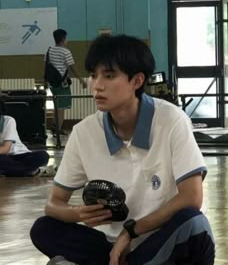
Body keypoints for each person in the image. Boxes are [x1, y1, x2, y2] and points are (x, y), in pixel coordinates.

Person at [30, 35, 215, 265]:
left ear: (136, 81)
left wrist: (131, 231)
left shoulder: (171, 120)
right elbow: (54, 203)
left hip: (161, 239)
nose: (97, 85)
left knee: (194, 225)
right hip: (111, 247)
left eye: (109, 76)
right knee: (44, 229)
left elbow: (192, 197)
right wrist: (77, 213)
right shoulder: (84, 133)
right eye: (93, 75)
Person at [45, 28, 87, 135]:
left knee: (56, 104)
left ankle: (54, 126)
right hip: (62, 84)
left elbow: (46, 67)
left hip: (52, 83)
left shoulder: (49, 51)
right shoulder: (65, 51)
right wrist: (81, 80)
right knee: (62, 106)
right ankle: (58, 130)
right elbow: (72, 67)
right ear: (63, 39)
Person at [0, 100, 49, 177]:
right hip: (4, 158)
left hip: (20, 154)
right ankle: (32, 171)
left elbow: (6, 148)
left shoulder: (8, 120)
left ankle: (10, 171)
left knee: (43, 156)